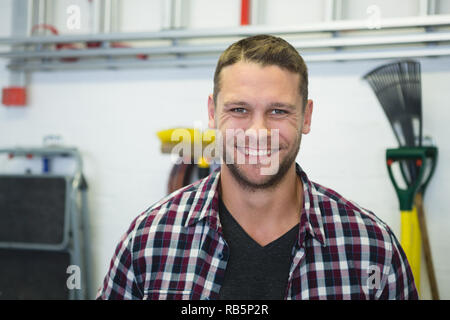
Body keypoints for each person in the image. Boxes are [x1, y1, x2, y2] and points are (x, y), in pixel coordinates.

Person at [96, 35, 418, 300]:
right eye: (239, 109)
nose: (258, 133)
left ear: (306, 117)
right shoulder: (148, 241)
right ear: (212, 112)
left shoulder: (373, 249)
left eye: (278, 111)